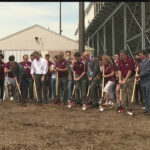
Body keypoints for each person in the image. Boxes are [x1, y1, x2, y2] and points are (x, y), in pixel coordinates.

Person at [118, 50, 135, 115]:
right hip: (123, 77)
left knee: (130, 92)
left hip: (130, 78)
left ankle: (131, 107)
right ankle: (123, 106)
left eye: (121, 55)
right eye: (120, 55)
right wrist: (120, 79)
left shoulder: (130, 60)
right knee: (123, 91)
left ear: (125, 55)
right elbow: (119, 70)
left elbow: (130, 71)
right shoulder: (120, 61)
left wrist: (125, 80)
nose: (120, 57)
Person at [136, 50, 150, 115]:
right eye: (139, 55)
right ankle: (146, 109)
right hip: (142, 82)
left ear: (144, 55)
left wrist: (139, 75)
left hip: (148, 82)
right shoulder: (141, 63)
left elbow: (147, 71)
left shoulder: (148, 62)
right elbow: (142, 72)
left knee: (148, 96)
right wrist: (139, 78)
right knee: (144, 96)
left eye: (141, 55)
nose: (140, 56)